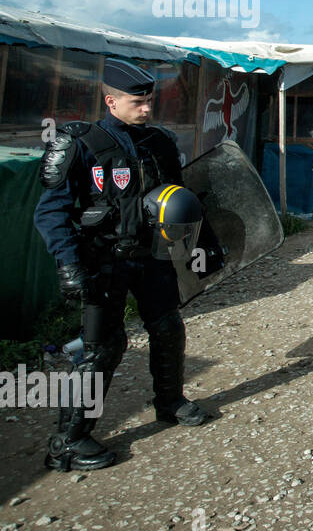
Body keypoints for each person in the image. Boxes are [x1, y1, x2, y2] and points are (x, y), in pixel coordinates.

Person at [33, 58, 213, 472]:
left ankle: (170, 403)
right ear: (111, 101)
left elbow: (177, 198)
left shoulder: (160, 142)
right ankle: (69, 440)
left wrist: (198, 249)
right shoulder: (78, 142)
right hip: (104, 260)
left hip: (152, 257)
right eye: (138, 102)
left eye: (150, 100)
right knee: (102, 348)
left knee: (168, 328)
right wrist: (69, 265)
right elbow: (51, 213)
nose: (147, 109)